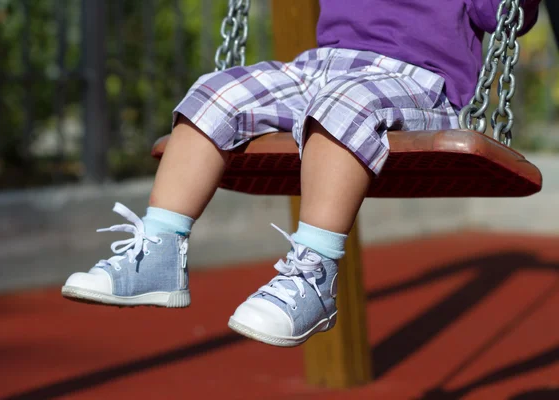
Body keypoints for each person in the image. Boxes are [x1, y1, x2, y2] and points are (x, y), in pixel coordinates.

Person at [62, 0, 542, 347]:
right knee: (216, 92)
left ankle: (314, 276)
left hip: (416, 83)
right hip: (317, 68)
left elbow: (503, 16)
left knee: (342, 107)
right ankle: (159, 254)